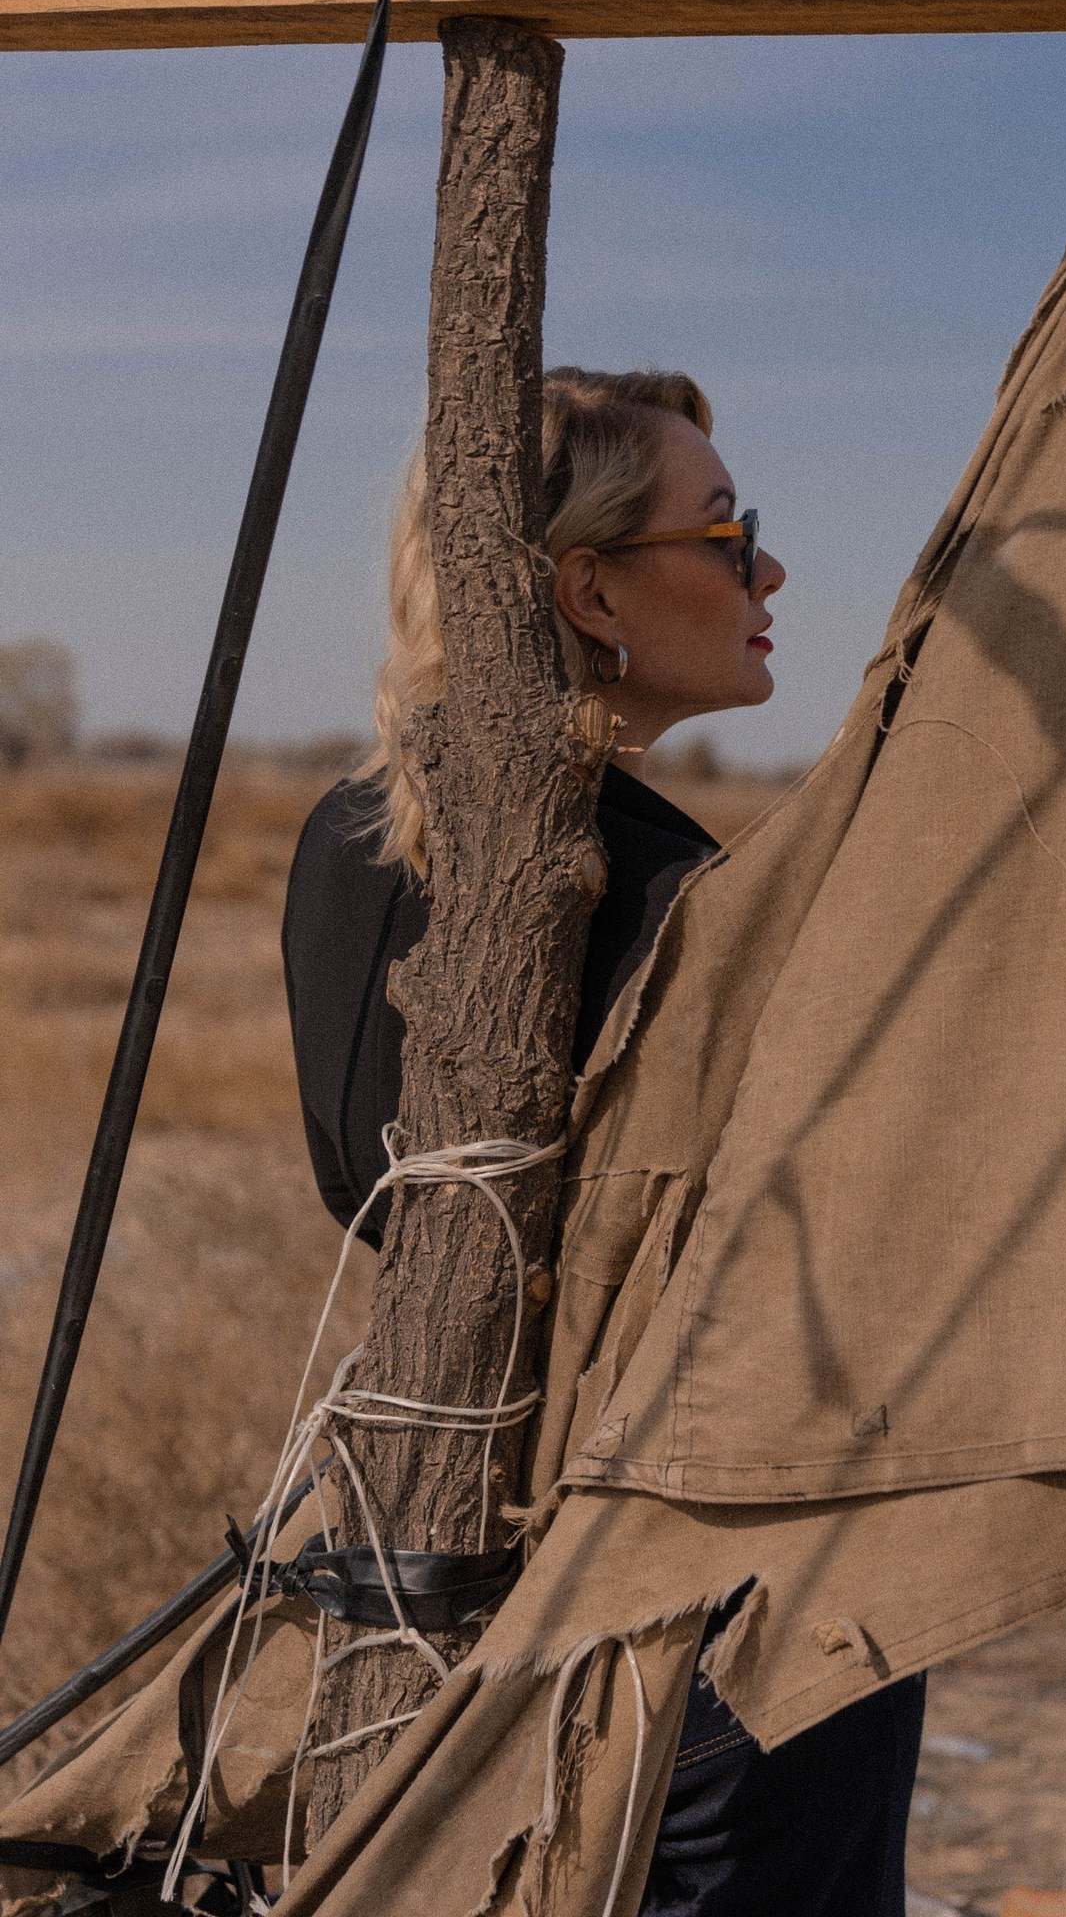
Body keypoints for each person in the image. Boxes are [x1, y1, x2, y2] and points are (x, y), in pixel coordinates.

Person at [280, 365, 926, 1917]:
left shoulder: (354, 832)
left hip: (424, 1532)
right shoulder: (645, 894)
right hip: (705, 1575)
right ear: (589, 589)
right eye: (728, 531)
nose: (766, 572)